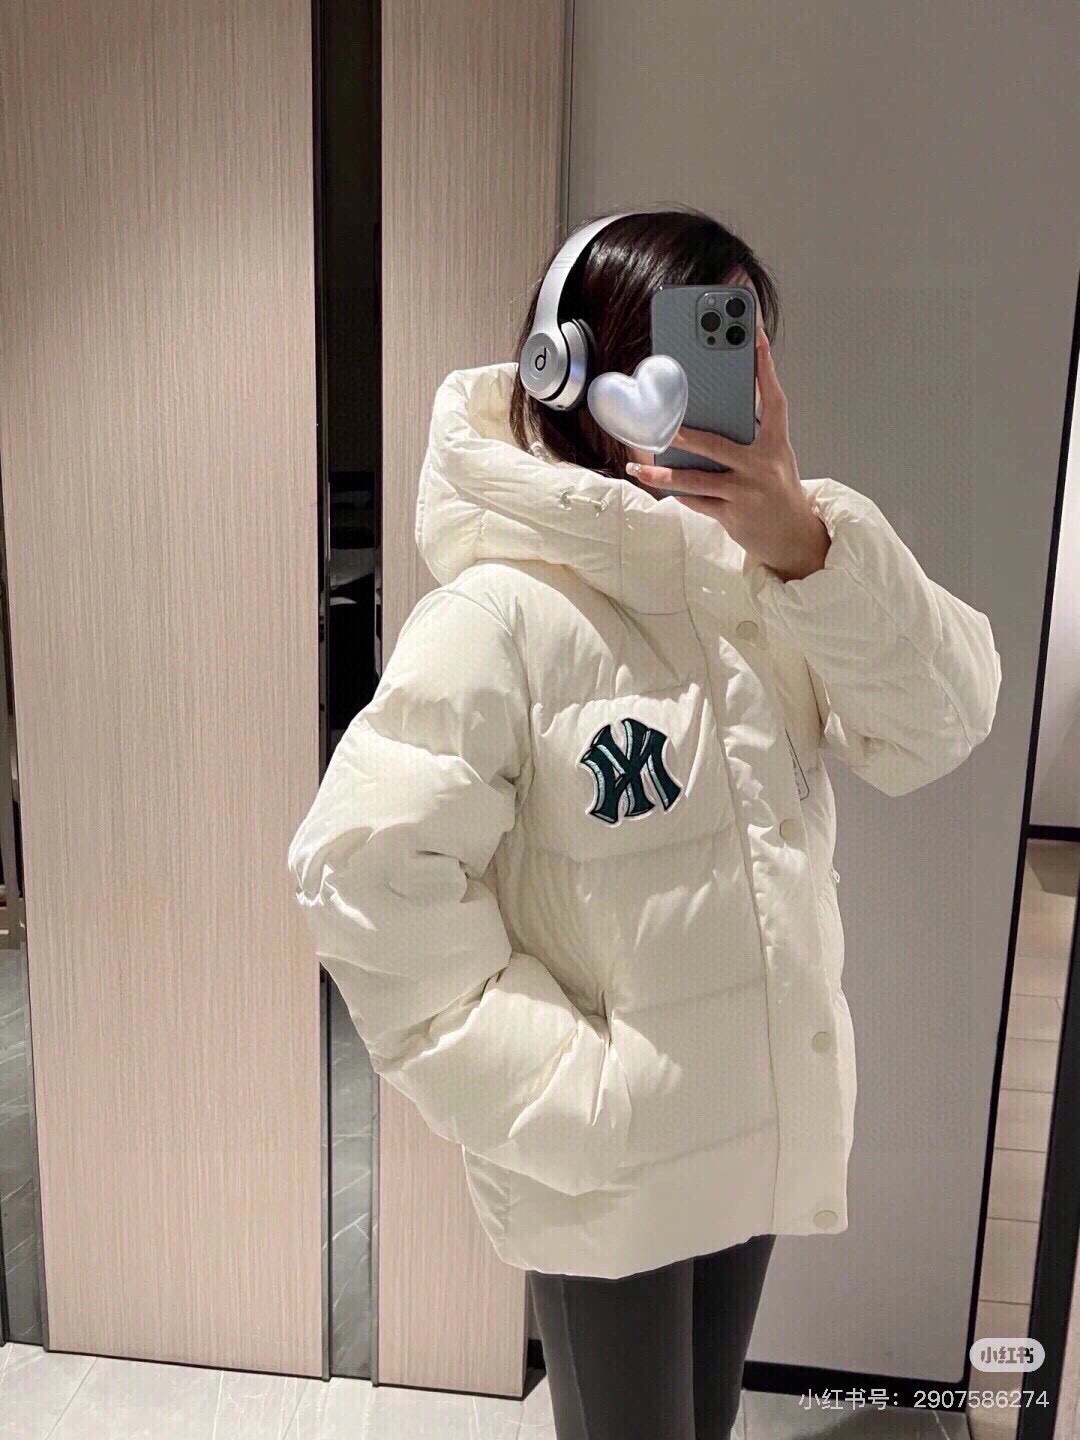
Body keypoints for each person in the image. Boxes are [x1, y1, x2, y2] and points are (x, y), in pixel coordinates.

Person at [287, 209, 1002, 1439]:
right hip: (605, 1165)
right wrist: (586, 1104)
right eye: (674, 343)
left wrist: (805, 545)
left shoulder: (772, 580)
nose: (713, 381)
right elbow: (363, 884)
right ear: (566, 372)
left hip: (749, 1116)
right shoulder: (501, 614)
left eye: (737, 345)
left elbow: (941, 723)